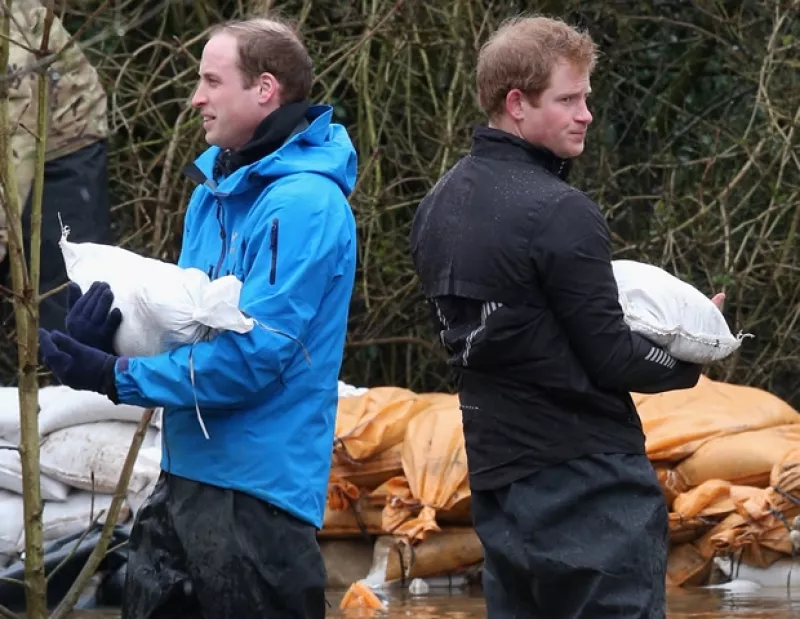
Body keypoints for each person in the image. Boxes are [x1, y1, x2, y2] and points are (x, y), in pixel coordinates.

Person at [37, 17, 358, 619]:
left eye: (212, 80)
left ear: (265, 89)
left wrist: (118, 375)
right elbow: (193, 325)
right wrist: (115, 332)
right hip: (184, 479)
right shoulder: (210, 192)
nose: (196, 97)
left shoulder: (306, 206)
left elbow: (251, 359)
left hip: (259, 498)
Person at [410, 16, 724, 619]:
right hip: (588, 482)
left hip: (497, 480)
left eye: (587, 98)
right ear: (516, 103)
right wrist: (692, 354)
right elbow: (609, 355)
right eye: (569, 99)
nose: (585, 114)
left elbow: (496, 335)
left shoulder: (436, 206)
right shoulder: (561, 211)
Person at [0, 0, 110, 333]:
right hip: (16, 133)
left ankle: (67, 377)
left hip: (61, 142)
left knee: (62, 283)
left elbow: (17, 128)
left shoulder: (9, 23)